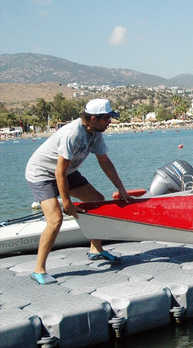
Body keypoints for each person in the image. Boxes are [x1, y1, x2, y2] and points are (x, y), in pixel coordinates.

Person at [25, 99, 132, 285]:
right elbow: (59, 172)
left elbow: (104, 162)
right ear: (92, 118)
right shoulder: (72, 134)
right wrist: (66, 203)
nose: (110, 122)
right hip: (42, 174)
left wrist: (121, 189)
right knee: (55, 220)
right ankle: (38, 270)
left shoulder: (96, 132)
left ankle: (95, 249)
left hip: (68, 172)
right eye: (106, 118)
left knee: (97, 200)